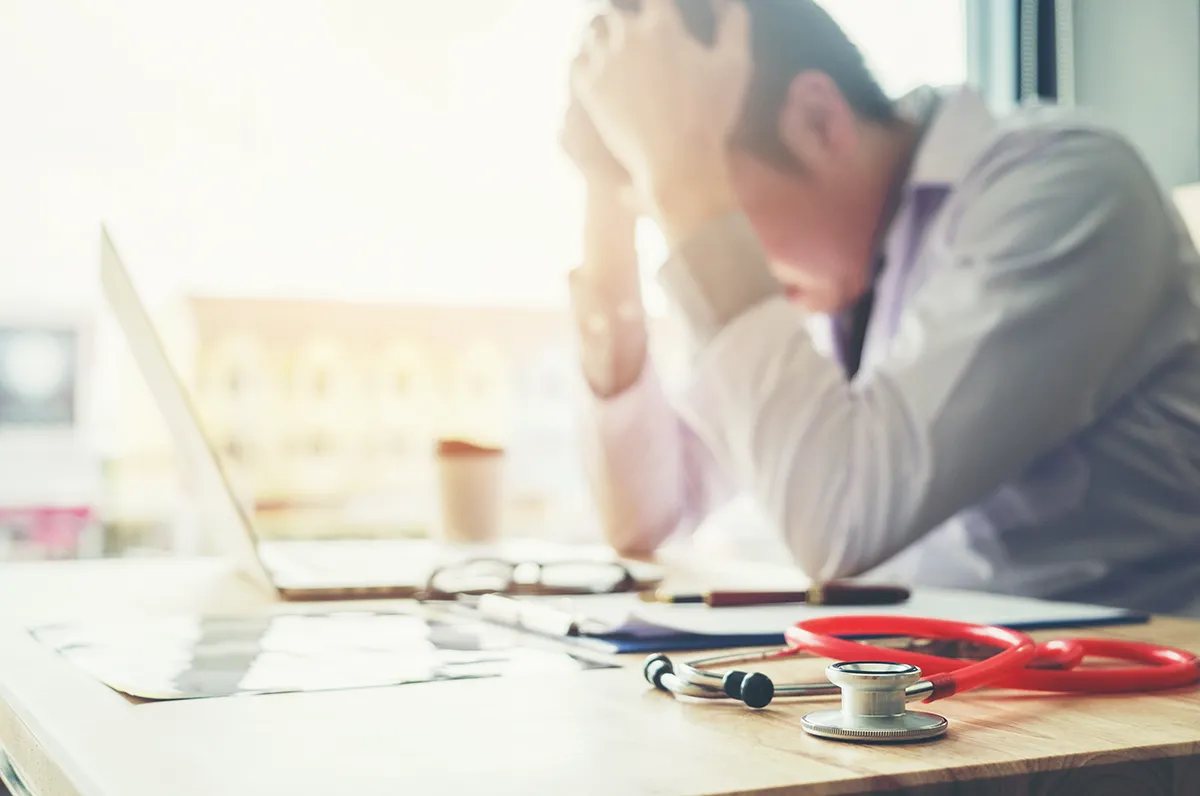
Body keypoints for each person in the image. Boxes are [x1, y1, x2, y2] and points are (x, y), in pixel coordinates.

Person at [560, 0, 1200, 615]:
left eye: (708, 197)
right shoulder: (829, 270)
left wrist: (688, 187)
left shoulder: (1067, 186)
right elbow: (644, 518)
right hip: (953, 688)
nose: (703, 237)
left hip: (1136, 695)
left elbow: (838, 521)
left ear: (818, 121)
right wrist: (609, 239)